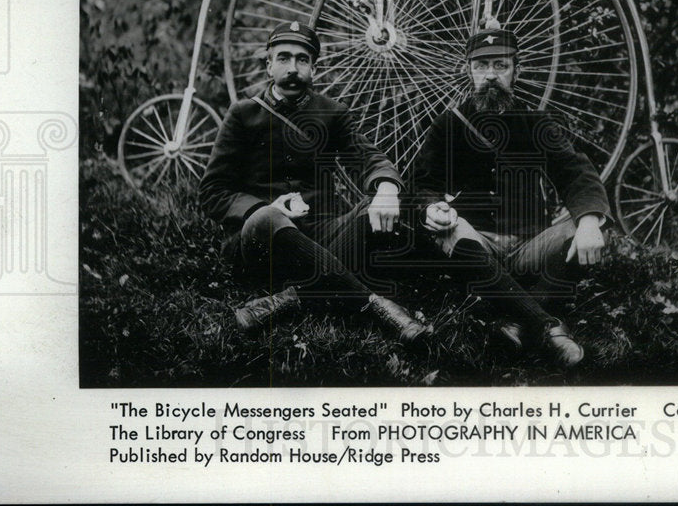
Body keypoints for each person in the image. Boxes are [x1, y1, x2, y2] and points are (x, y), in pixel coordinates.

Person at [199, 21, 428, 344]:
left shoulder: (331, 113)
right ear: (269, 66)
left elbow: (367, 157)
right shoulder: (243, 114)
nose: (292, 68)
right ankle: (376, 306)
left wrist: (387, 188)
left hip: (322, 235)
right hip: (263, 243)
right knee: (268, 218)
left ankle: (292, 298)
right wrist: (267, 207)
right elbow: (212, 192)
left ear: (314, 69)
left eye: (302, 60)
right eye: (283, 58)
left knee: (372, 208)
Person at [412, 25, 611, 367]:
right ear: (468, 70)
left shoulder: (535, 123)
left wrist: (590, 220)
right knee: (452, 231)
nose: (490, 76)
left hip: (528, 247)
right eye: (481, 66)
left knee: (587, 228)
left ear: (516, 70)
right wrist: (430, 207)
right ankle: (546, 324)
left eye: (500, 66)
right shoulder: (450, 124)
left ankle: (514, 319)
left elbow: (575, 171)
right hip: (475, 245)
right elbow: (419, 184)